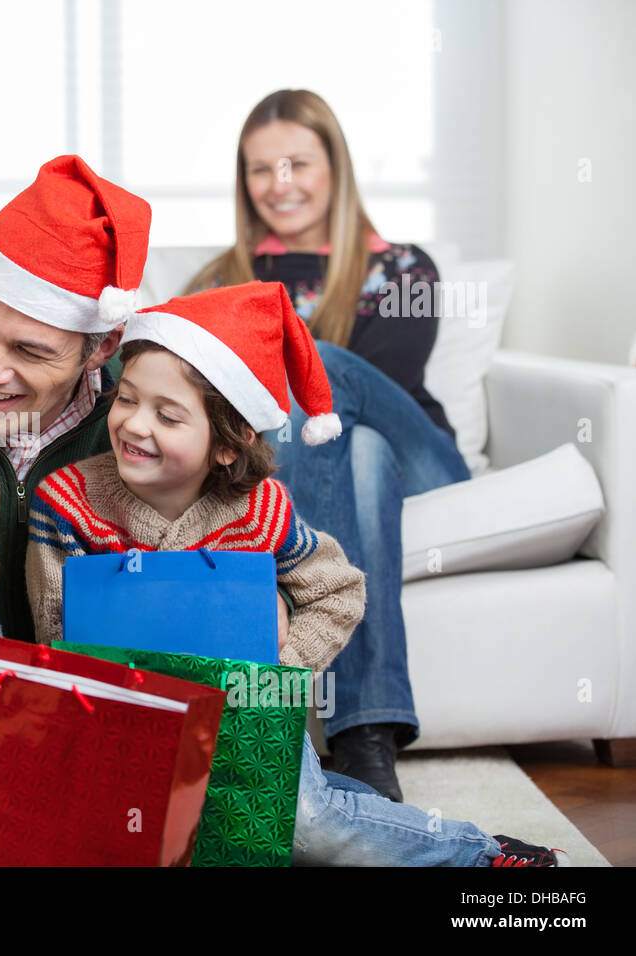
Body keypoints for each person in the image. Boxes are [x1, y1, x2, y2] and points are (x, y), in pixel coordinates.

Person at [25, 282, 568, 867]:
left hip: (246, 715)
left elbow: (339, 591)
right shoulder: (64, 503)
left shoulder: (263, 511)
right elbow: (55, 634)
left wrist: (279, 675)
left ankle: (480, 854)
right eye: (127, 399)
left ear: (229, 445)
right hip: (126, 719)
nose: (134, 424)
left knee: (304, 824)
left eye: (168, 414)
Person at [185, 89, 471, 801]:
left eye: (297, 163)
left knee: (340, 392)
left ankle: (340, 705)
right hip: (348, 467)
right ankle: (363, 738)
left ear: (335, 167)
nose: (279, 184)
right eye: (260, 169)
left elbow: (380, 387)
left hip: (423, 461)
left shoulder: (404, 269)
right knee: (359, 452)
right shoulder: (223, 279)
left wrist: (284, 362)